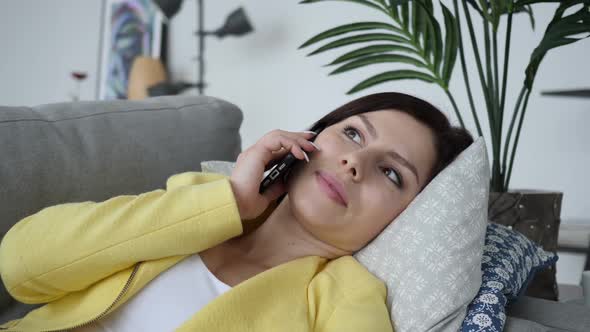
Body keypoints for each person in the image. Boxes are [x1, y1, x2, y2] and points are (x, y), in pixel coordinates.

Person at [0, 92, 473, 331]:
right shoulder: (197, 198)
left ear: (407, 216)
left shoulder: (346, 298)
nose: (354, 163)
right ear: (312, 137)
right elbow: (22, 265)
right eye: (352, 134)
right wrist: (227, 202)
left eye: (392, 174)